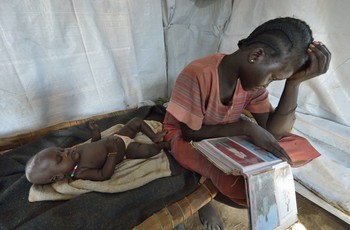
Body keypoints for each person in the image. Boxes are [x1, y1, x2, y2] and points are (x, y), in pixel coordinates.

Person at [163, 17, 331, 229]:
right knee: (246, 188)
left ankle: (204, 186)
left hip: (222, 135)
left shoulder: (252, 86)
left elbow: (274, 132)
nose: (267, 83)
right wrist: (246, 127)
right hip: (183, 136)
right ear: (256, 55)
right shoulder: (199, 73)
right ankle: (198, 198)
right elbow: (189, 133)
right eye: (272, 77)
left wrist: (294, 83)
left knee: (295, 147)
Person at [25, 118, 170, 185]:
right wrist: (113, 154)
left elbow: (94, 144)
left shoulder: (76, 151)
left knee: (136, 121)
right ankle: (163, 145)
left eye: (62, 149)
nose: (66, 152)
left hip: (119, 136)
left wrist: (95, 132)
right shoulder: (80, 172)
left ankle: (154, 136)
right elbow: (104, 175)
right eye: (60, 158)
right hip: (124, 151)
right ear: (57, 177)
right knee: (147, 151)